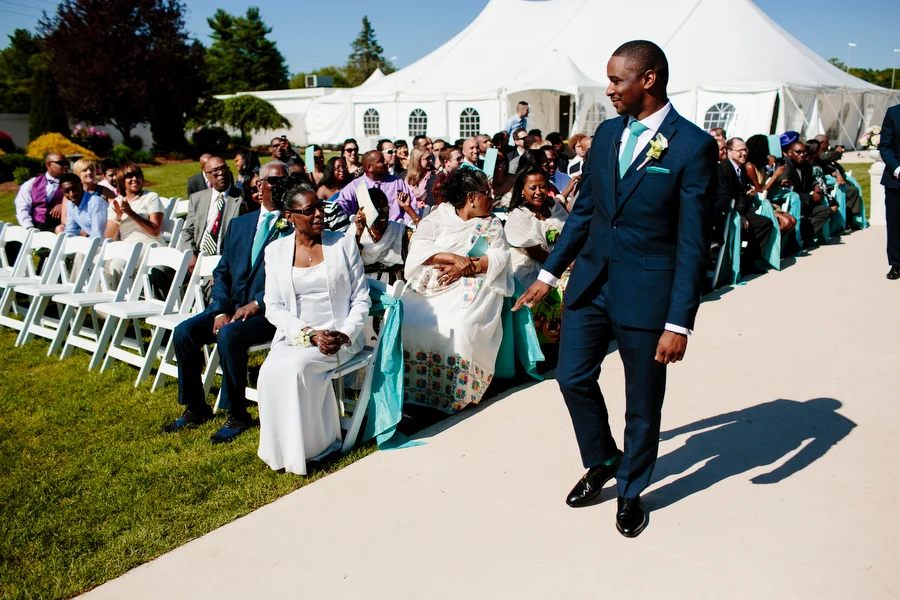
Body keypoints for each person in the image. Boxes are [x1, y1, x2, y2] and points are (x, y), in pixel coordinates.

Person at [514, 40, 717, 538]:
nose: (608, 91)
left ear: (647, 80)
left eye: (615, 81)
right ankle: (603, 457)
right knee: (571, 376)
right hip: (591, 284)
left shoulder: (692, 146)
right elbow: (585, 214)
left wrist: (679, 322)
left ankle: (630, 489)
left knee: (642, 399)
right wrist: (547, 276)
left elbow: (693, 242)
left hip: (648, 296)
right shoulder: (606, 134)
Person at [162, 161, 292, 443]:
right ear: (260, 186)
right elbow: (222, 272)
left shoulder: (292, 226)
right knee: (184, 332)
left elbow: (290, 278)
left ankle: (238, 413)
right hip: (230, 308)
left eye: (286, 181)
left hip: (268, 312)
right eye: (275, 182)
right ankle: (196, 408)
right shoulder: (240, 224)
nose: (282, 187)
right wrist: (220, 309)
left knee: (231, 336)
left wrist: (257, 303)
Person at [256, 181, 370, 474]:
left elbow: (361, 299)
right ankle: (282, 451)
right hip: (297, 336)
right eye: (309, 211)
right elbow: (274, 306)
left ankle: (320, 447)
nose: (319, 215)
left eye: (320, 208)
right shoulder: (276, 251)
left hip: (338, 337)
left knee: (297, 370)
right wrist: (306, 332)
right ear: (290, 216)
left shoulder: (342, 244)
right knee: (268, 371)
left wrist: (344, 333)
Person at [402, 167, 512, 414]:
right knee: (407, 321)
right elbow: (418, 248)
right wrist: (453, 258)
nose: (492, 197)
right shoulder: (438, 217)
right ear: (471, 197)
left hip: (474, 286)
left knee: (462, 326)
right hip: (433, 286)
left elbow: (500, 256)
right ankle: (412, 391)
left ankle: (458, 395)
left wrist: (468, 266)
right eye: (487, 192)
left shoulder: (492, 224)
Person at [716, 137, 774, 274]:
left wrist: (751, 191)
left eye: (745, 150)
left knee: (766, 223)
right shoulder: (723, 168)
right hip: (728, 213)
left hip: (743, 209)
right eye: (740, 150)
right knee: (761, 223)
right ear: (729, 151)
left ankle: (749, 261)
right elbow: (724, 196)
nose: (744, 153)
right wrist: (738, 215)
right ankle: (743, 263)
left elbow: (745, 187)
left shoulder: (741, 168)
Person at [506, 166, 568, 289]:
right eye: (533, 188)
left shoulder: (553, 206)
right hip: (530, 273)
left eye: (543, 186)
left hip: (559, 264)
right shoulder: (519, 214)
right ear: (522, 190)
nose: (539, 192)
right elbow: (535, 252)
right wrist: (565, 264)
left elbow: (568, 232)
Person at [181, 156, 243, 270]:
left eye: (224, 169)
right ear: (207, 176)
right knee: (160, 274)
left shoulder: (241, 199)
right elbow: (188, 230)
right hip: (199, 255)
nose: (221, 173)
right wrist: (190, 254)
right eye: (215, 171)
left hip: (223, 259)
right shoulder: (197, 199)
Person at [335, 150, 421, 225]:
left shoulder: (397, 183)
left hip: (397, 233)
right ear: (369, 168)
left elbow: (412, 206)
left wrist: (404, 227)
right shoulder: (355, 186)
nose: (385, 162)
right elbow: (339, 208)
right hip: (366, 238)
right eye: (381, 161)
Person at [776, 140, 834, 245]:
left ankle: (803, 236)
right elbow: (786, 188)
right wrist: (811, 197)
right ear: (790, 153)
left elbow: (811, 179)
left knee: (826, 211)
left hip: (805, 200)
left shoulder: (806, 164)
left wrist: (816, 186)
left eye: (804, 152)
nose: (802, 155)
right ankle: (795, 240)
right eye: (798, 152)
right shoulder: (786, 164)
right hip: (791, 203)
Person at [354, 187, 410, 283]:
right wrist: (359, 232)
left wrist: (408, 209)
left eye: (385, 208)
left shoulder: (399, 230)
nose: (383, 214)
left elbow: (421, 241)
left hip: (395, 289)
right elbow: (349, 260)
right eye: (377, 210)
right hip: (366, 287)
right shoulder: (355, 232)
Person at [744, 134, 795, 234]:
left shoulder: (761, 166)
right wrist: (775, 176)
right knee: (786, 222)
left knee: (792, 221)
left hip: (765, 200)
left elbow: (764, 185)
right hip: (757, 203)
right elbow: (759, 190)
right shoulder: (749, 166)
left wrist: (777, 182)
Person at [104, 162, 164, 246]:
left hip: (150, 245)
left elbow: (156, 231)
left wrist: (131, 213)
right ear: (121, 180)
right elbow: (109, 238)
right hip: (126, 246)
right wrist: (117, 218)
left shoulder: (150, 197)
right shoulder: (116, 203)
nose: (135, 178)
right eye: (129, 176)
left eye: (138, 175)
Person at [15, 152, 69, 232]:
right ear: (48, 165)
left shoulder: (73, 184)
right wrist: (29, 227)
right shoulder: (31, 184)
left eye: (66, 163)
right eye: (61, 163)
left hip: (60, 227)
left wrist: (65, 205)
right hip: (35, 226)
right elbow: (22, 208)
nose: (65, 166)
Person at [878, 103, 900, 280]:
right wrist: (897, 169)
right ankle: (896, 264)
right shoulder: (893, 113)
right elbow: (885, 146)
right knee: (895, 224)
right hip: (896, 180)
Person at [63, 167, 107, 239]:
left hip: (109, 243)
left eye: (75, 189)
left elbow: (98, 236)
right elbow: (71, 230)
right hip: (94, 242)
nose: (72, 194)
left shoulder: (95, 203)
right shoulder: (70, 204)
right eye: (67, 191)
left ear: (81, 186)